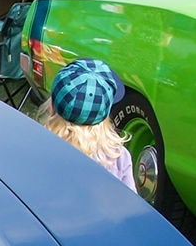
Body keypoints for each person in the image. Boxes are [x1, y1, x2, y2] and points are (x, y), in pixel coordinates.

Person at [37, 58, 135, 189]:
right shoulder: (118, 157)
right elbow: (131, 206)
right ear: (105, 115)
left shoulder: (38, 150)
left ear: (51, 107)